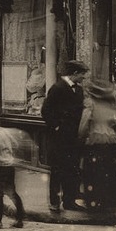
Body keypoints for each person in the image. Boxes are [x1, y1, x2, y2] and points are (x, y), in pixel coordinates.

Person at [41, 60, 87, 212]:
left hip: (73, 137)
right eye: (82, 74)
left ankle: (69, 201)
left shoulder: (79, 90)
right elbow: (46, 110)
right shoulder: (57, 88)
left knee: (71, 168)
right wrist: (56, 126)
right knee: (57, 169)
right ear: (74, 74)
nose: (83, 78)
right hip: (59, 138)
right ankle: (54, 202)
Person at [77, 76, 116, 211]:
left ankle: (93, 201)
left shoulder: (90, 104)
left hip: (94, 141)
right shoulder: (112, 107)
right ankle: (108, 201)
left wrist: (81, 138)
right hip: (111, 142)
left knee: (92, 172)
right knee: (108, 171)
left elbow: (84, 124)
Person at [0, 126, 27, 229]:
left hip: (0, 167)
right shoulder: (4, 131)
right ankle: (20, 218)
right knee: (12, 192)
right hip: (10, 165)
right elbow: (15, 144)